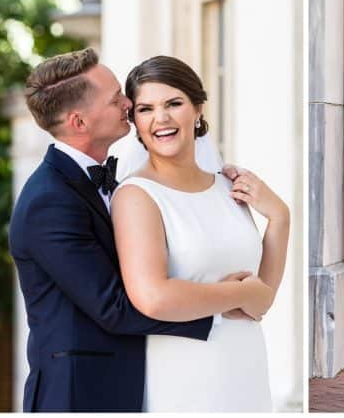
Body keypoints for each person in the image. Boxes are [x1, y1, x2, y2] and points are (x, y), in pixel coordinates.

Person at [9, 48, 245, 412]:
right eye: (115, 97)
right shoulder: (48, 201)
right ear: (79, 122)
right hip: (80, 395)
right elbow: (113, 307)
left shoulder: (108, 182)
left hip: (142, 382)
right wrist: (229, 299)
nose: (128, 103)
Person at [112, 56, 289, 412]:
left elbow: (262, 299)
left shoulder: (229, 186)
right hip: (182, 375)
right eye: (146, 109)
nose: (160, 118)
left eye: (173, 104)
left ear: (197, 109)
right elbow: (153, 297)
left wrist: (280, 216)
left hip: (245, 367)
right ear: (135, 122)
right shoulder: (136, 196)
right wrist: (240, 292)